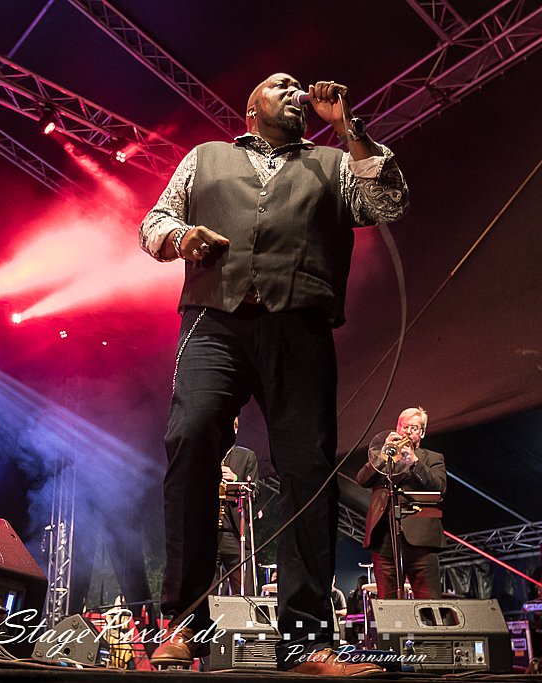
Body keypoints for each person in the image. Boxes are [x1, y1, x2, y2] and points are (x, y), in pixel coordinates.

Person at [140, 71, 408, 675]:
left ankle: (307, 643)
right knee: (189, 440)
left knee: (308, 468)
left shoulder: (333, 163)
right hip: (215, 321)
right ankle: (184, 623)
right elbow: (150, 225)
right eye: (278, 85)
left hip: (299, 326)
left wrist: (349, 128)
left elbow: (390, 201)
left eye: (298, 88)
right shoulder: (205, 158)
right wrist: (182, 239)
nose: (294, 90)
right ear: (250, 107)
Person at [356, 407, 446, 599]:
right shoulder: (383, 457)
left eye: (413, 428)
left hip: (421, 539)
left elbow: (439, 488)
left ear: (422, 432)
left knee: (429, 602)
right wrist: (382, 454)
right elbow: (362, 480)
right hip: (384, 537)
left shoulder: (433, 458)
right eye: (403, 427)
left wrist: (414, 462)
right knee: (389, 607)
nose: (407, 432)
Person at [216, 418, 258, 595]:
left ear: (235, 429)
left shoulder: (246, 456)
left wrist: (234, 479)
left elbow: (254, 494)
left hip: (234, 533)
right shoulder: (205, 454)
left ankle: (244, 622)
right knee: (204, 594)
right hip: (207, 534)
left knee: (243, 592)